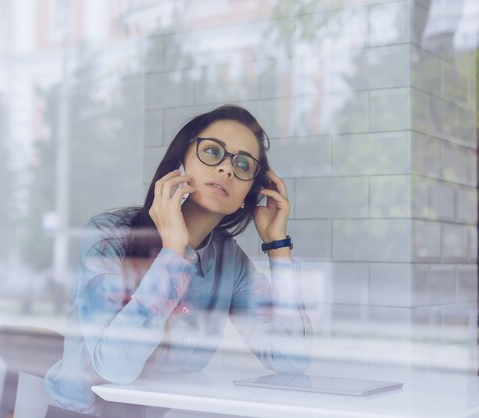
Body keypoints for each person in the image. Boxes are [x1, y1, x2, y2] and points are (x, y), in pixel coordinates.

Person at [44, 105, 312, 417]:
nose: (227, 169)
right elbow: (117, 368)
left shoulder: (229, 261)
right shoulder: (109, 235)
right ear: (179, 165)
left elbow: (290, 361)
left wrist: (278, 247)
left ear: (247, 195)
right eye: (212, 152)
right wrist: (173, 253)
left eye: (243, 164)